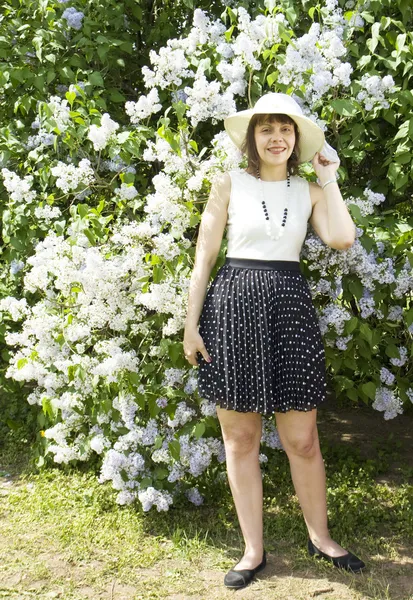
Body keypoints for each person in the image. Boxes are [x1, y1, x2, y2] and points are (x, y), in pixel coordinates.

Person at [183, 92, 365, 590]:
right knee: (240, 437)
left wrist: (327, 177)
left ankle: (321, 538)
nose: (276, 137)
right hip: (233, 307)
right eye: (266, 129)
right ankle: (253, 550)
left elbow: (343, 239)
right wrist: (191, 323)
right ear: (252, 138)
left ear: (297, 139)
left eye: (285, 129)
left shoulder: (308, 191)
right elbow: (204, 258)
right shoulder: (227, 185)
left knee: (302, 440)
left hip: (288, 309)